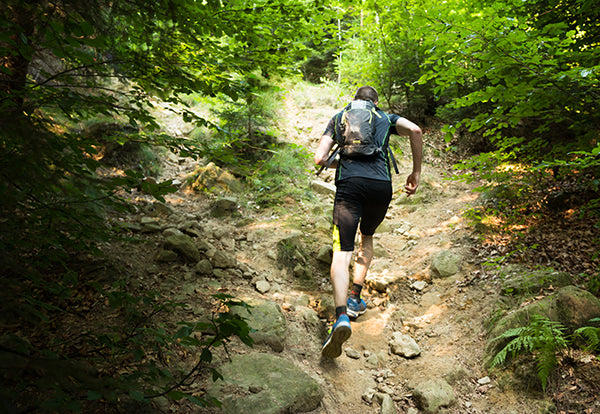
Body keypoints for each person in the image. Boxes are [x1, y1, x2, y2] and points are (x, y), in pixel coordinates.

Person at [314, 85, 423, 359]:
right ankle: (355, 297)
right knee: (368, 236)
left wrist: (343, 163)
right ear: (374, 102)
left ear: (353, 101)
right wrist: (416, 172)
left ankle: (341, 317)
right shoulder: (385, 118)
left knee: (342, 252)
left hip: (350, 186)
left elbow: (319, 157)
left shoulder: (339, 117)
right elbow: (416, 130)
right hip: (380, 186)